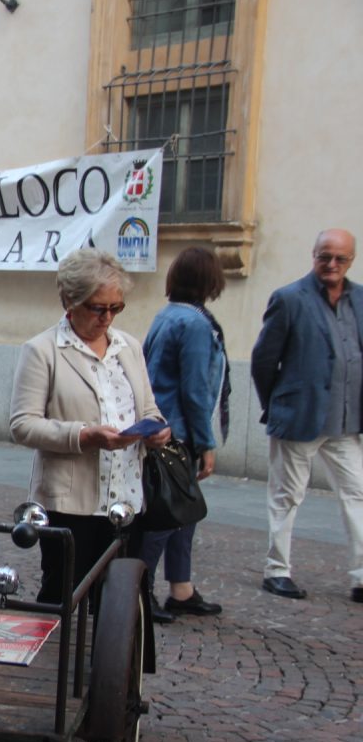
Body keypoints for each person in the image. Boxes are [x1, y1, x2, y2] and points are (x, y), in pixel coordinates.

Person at [9, 248, 171, 604]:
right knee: (64, 597)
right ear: (69, 301)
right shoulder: (43, 350)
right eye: (98, 308)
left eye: (116, 307)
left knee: (122, 602)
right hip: (71, 504)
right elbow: (22, 425)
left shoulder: (129, 347)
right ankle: (58, 644)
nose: (107, 318)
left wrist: (158, 430)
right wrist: (84, 436)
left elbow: (149, 408)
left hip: (127, 501)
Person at [251, 228, 363, 603]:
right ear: (313, 255)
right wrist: (277, 405)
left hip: (346, 422)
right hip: (298, 418)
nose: (331, 264)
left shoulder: (360, 299)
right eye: (324, 256)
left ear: (351, 260)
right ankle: (277, 571)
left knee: (358, 494)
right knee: (286, 496)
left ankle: (361, 576)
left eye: (340, 258)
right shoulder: (289, 298)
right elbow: (264, 360)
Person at [139, 247, 228, 623]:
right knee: (165, 515)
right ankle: (140, 590)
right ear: (209, 281)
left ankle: (181, 588)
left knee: (183, 512)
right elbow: (195, 388)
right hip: (177, 432)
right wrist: (206, 443)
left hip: (163, 425)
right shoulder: (194, 324)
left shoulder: (168, 314)